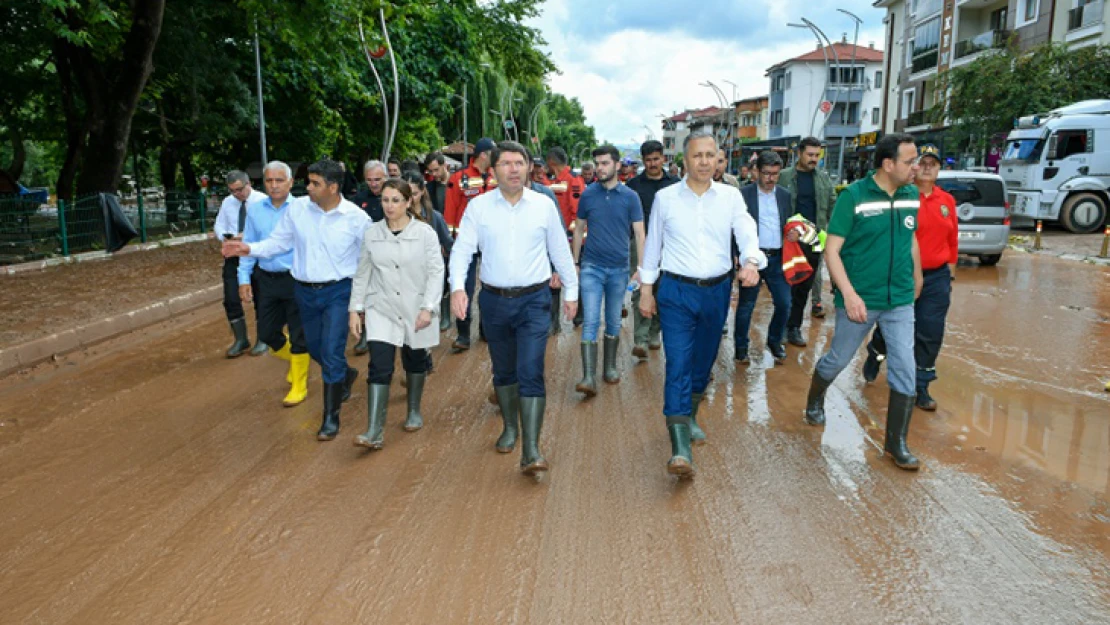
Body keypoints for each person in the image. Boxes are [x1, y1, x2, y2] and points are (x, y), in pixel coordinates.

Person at [639, 131, 764, 478]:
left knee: (703, 361)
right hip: (676, 291)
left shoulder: (730, 197)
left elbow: (746, 230)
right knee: (677, 361)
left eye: (711, 155)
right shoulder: (666, 199)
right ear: (684, 161)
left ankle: (690, 414)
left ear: (719, 159)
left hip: (717, 291)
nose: (705, 162)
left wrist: (751, 261)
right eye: (698, 156)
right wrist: (647, 290)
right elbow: (653, 247)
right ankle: (679, 448)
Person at [449, 140, 578, 476]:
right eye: (506, 163)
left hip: (535, 301)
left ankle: (532, 449)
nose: (514, 169)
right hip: (493, 300)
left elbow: (560, 251)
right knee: (504, 370)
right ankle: (510, 427)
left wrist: (571, 291)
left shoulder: (542, 205)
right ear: (493, 171)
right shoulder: (478, 208)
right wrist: (457, 289)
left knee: (531, 370)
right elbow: (462, 250)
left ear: (528, 168)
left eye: (519, 163)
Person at [223, 159, 369, 441]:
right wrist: (248, 248)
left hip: (339, 292)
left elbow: (368, 260)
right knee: (313, 348)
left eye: (315, 183)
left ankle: (330, 417)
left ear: (333, 187)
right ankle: (344, 375)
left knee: (331, 349)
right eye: (309, 181)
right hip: (304, 291)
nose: (308, 188)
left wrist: (361, 304)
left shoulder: (356, 219)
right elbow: (279, 242)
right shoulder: (298, 210)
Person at [804, 133, 924, 471]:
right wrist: (850, 294)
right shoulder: (854, 197)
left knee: (904, 365)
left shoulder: (910, 194)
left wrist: (917, 276)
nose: (915, 168)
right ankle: (815, 399)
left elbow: (910, 238)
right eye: (909, 161)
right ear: (888, 164)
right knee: (838, 359)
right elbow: (832, 251)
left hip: (899, 298)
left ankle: (896, 443)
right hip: (860, 298)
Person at [349, 179, 444, 450]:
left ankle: (413, 409)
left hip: (416, 307)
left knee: (414, 358)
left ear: (408, 202)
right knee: (379, 365)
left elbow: (437, 272)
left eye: (395, 200)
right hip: (382, 307)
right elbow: (363, 273)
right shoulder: (372, 234)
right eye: (385, 200)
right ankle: (373, 431)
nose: (389, 206)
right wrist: (356, 309)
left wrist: (428, 307)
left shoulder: (424, 233)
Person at [861, 144, 957, 412]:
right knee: (892, 327)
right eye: (922, 162)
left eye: (933, 164)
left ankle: (921, 385)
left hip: (936, 276)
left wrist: (950, 272)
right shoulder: (904, 195)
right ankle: (876, 354)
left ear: (939, 169)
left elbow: (953, 239)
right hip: (902, 272)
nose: (927, 167)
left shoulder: (946, 201)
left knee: (930, 329)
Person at [572, 145, 645, 395]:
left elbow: (639, 233)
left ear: (616, 165)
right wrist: (575, 263)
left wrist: (641, 269)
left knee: (613, 319)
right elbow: (579, 228)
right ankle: (588, 376)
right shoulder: (588, 195)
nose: (599, 168)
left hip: (619, 269)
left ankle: (610, 367)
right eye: (597, 163)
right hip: (592, 267)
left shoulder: (630, 197)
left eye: (604, 163)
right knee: (591, 320)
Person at [237, 161, 309, 407]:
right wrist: (243, 279)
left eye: (280, 180)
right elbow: (249, 245)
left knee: (299, 334)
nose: (274, 185)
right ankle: (296, 360)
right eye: (269, 180)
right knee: (267, 334)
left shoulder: (303, 208)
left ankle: (299, 384)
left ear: (290, 182)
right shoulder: (255, 210)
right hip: (266, 280)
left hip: (296, 280)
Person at [733, 151, 794, 365]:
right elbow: (735, 227)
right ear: (757, 172)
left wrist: (793, 233)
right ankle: (741, 348)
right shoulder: (744, 194)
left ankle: (775, 341)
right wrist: (737, 256)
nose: (771, 178)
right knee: (746, 306)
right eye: (767, 173)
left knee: (785, 303)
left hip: (778, 259)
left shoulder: (785, 195)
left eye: (775, 174)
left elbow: (790, 221)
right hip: (753, 260)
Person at [778, 137, 838, 342]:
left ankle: (794, 327)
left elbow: (832, 207)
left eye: (817, 155)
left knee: (804, 287)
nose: (814, 159)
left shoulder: (823, 179)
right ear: (799, 154)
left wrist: (829, 235)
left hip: (813, 241)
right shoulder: (785, 177)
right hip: (789, 241)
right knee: (786, 288)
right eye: (810, 155)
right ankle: (780, 328)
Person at [444, 137, 498, 352]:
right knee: (464, 287)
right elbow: (450, 210)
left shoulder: (496, 178)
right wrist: (450, 242)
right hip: (466, 242)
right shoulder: (459, 178)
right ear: (484, 154)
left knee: (490, 286)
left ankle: (486, 330)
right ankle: (464, 334)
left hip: (491, 242)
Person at [626, 140, 679, 358]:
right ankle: (640, 338)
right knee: (640, 289)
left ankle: (655, 332)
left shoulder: (675, 185)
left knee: (662, 290)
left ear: (663, 159)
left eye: (656, 159)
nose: (652, 164)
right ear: (643, 161)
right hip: (640, 245)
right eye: (648, 160)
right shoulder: (633, 186)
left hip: (671, 245)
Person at [213, 170, 267, 358]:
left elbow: (268, 230)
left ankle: (263, 338)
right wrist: (226, 236)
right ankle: (241, 338)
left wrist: (246, 237)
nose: (237, 194)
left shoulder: (263, 201)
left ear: (248, 183)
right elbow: (219, 225)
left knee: (261, 296)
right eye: (233, 191)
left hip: (256, 254)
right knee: (230, 297)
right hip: (234, 254)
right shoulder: (228, 203)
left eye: (240, 189)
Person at [402, 171, 454, 332]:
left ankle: (443, 314)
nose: (410, 199)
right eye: (406, 194)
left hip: (428, 271)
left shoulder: (434, 217)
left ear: (423, 191)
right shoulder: (394, 217)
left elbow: (449, 243)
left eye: (415, 194)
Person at [350, 160, 388, 356]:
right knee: (364, 294)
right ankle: (365, 334)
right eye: (370, 180)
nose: (374, 184)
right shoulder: (358, 200)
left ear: (386, 177)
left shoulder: (394, 196)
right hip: (365, 255)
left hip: (390, 253)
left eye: (378, 179)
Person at [545, 146, 584, 333]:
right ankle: (554, 323)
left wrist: (570, 239)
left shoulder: (573, 181)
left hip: (572, 240)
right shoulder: (555, 181)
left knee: (574, 277)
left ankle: (578, 314)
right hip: (557, 239)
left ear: (552, 164)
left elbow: (578, 215)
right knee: (554, 280)